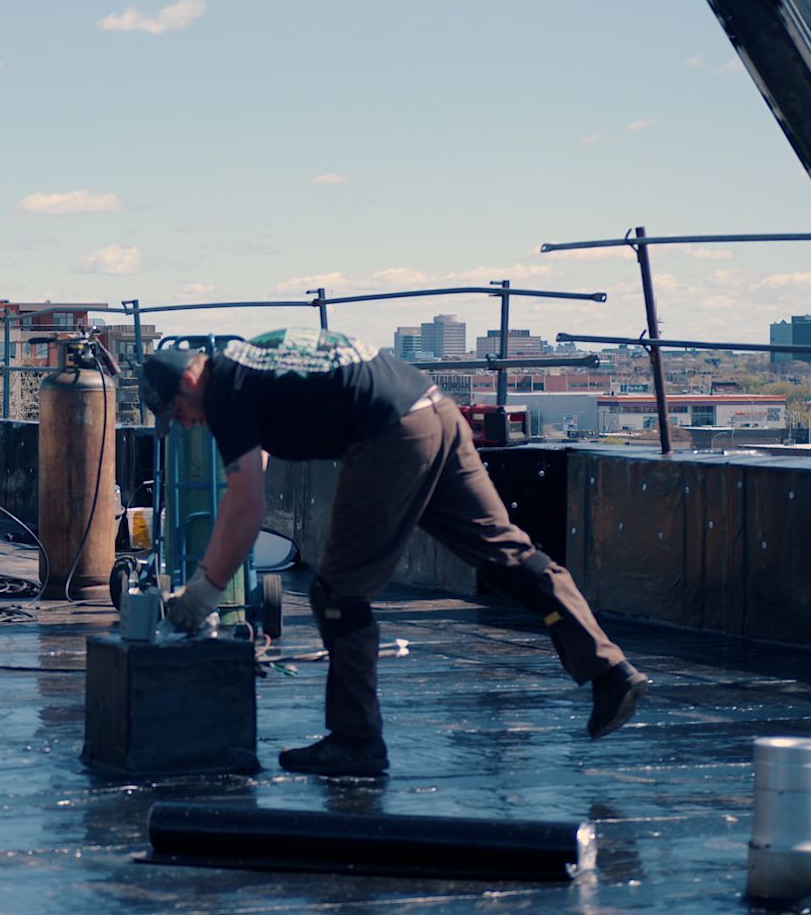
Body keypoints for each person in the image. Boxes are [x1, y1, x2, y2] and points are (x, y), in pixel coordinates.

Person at [141, 328, 649, 777]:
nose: (185, 425)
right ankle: (609, 670)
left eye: (177, 415)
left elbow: (246, 504)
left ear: (188, 381)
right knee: (504, 552)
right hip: (436, 412)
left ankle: (356, 740)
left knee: (338, 590)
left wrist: (204, 592)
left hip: (390, 433)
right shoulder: (250, 362)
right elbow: (260, 471)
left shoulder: (225, 392)